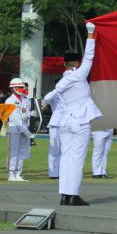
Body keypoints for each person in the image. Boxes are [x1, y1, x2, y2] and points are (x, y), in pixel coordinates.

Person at [46, 22, 102, 206]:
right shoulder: (78, 76)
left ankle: (64, 194)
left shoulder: (62, 82)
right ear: (76, 64)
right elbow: (89, 57)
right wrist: (91, 34)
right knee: (76, 159)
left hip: (65, 122)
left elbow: (49, 96)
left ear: (64, 64)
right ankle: (73, 195)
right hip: (80, 121)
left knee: (66, 158)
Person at [5, 78, 32, 182]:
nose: (22, 89)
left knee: (22, 151)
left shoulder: (25, 99)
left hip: (25, 128)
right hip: (14, 129)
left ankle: (18, 173)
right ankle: (11, 173)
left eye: (22, 87)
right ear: (14, 88)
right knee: (13, 151)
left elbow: (27, 114)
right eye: (20, 87)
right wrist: (24, 129)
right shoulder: (10, 100)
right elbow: (14, 116)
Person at [43, 79, 64, 179]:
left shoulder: (69, 93)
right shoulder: (54, 94)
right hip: (55, 124)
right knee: (54, 150)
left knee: (65, 151)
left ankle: (62, 172)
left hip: (67, 125)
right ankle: (53, 173)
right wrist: (57, 89)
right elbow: (46, 99)